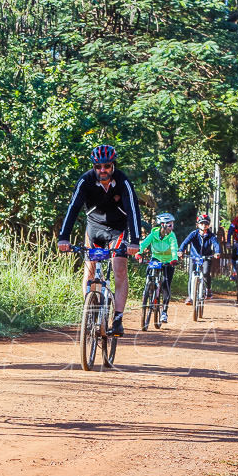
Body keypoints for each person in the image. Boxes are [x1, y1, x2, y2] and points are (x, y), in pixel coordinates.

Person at [57, 144, 143, 336]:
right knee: (89, 270)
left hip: (117, 229)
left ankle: (118, 318)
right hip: (94, 228)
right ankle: (89, 313)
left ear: (113, 165)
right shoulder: (85, 180)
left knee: (119, 268)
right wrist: (63, 237)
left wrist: (135, 241)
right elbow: (73, 208)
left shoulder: (123, 181)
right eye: (98, 167)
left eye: (106, 166)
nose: (102, 170)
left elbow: (133, 211)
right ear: (93, 167)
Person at [137, 213, 178, 323]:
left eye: (172, 224)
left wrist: (174, 259)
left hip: (169, 261)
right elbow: (144, 243)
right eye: (170, 225)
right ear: (163, 225)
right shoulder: (153, 234)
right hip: (156, 258)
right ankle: (148, 289)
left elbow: (174, 248)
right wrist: (139, 252)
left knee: (166, 283)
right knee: (149, 271)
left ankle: (164, 311)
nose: (172, 227)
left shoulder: (172, 236)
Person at [178, 213, 221, 304]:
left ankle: (208, 290)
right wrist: (181, 251)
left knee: (205, 273)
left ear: (208, 225)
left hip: (206, 257)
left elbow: (216, 244)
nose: (204, 226)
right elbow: (185, 243)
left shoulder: (211, 235)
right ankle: (190, 296)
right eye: (201, 223)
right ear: (197, 224)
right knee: (191, 276)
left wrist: (217, 252)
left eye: (206, 224)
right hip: (194, 257)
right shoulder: (193, 234)